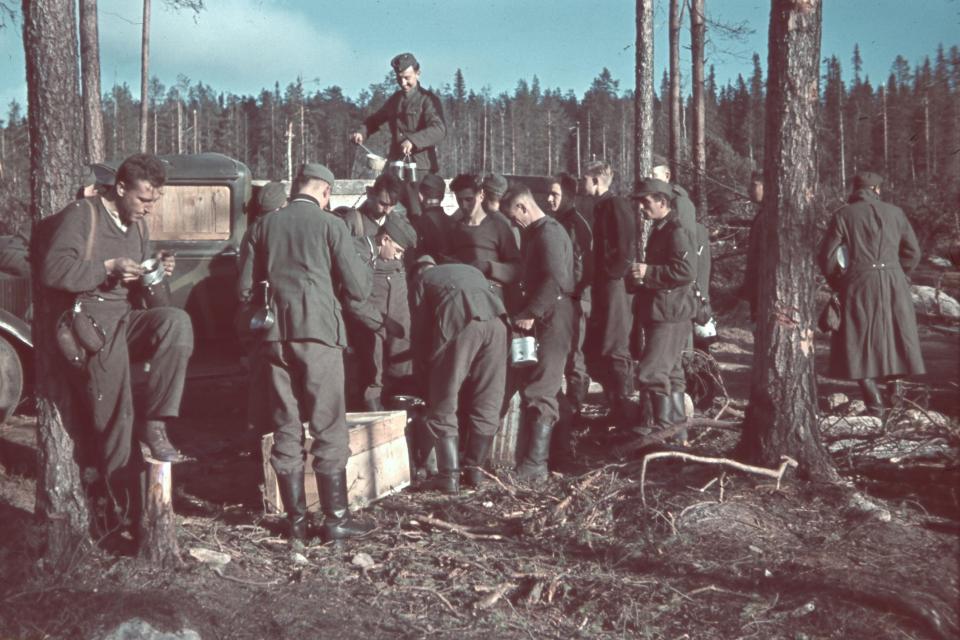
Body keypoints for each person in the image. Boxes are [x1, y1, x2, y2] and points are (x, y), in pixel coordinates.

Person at [237, 162, 374, 542]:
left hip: (274, 338)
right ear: (326, 192)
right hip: (319, 334)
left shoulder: (262, 226)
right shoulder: (332, 226)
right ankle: (335, 520)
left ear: (296, 186)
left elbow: (244, 291)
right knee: (328, 425)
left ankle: (295, 523)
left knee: (285, 424)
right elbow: (360, 288)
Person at [41, 153, 194, 490]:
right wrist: (106, 268)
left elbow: (144, 290)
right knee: (116, 423)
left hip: (126, 320)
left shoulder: (138, 225)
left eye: (154, 200)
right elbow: (53, 270)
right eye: (143, 198)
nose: (148, 207)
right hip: (93, 328)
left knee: (176, 322)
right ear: (121, 187)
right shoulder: (83, 215)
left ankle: (155, 422)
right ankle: (120, 514)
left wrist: (155, 272)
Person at [817, 171, 925, 418]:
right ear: (876, 189)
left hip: (858, 283)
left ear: (856, 190)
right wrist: (899, 272)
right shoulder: (895, 213)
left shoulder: (843, 215)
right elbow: (913, 252)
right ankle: (896, 403)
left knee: (856, 343)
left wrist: (838, 282)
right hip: (894, 282)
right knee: (897, 339)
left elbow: (827, 257)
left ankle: (876, 409)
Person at [411, 258, 508, 494]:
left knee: (444, 398)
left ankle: (449, 477)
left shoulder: (422, 279)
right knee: (488, 396)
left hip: (462, 322)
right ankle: (475, 471)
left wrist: (426, 368)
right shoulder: (469, 268)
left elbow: (420, 331)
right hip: (498, 323)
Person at [502, 184, 574, 482]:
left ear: (523, 207)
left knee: (541, 388)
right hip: (549, 314)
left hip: (553, 316)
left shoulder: (549, 233)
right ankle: (562, 456)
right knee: (551, 385)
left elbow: (556, 279)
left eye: (513, 216)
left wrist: (531, 313)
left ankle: (535, 466)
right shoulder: (538, 233)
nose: (513, 223)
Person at [629, 178, 697, 442]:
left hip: (670, 314)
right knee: (672, 373)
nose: (642, 208)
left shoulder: (676, 231)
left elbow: (687, 271)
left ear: (662, 201)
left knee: (652, 372)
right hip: (663, 311)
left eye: (646, 202)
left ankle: (664, 437)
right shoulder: (661, 228)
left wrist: (649, 272)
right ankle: (678, 441)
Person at [344, 173, 418, 410]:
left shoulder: (397, 221)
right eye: (382, 203)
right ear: (370, 194)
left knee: (401, 363)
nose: (386, 210)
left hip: (397, 299)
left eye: (392, 205)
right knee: (372, 367)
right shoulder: (353, 221)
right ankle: (375, 422)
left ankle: (400, 420)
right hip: (369, 302)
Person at [581, 161, 636, 427]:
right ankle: (616, 407)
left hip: (615, 285)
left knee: (616, 346)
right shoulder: (602, 206)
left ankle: (624, 412)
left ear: (596, 181)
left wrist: (612, 274)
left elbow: (625, 245)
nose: (583, 184)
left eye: (585, 179)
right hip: (605, 284)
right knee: (602, 346)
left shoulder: (616, 205)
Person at [350, 52, 446, 174]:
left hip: (421, 169)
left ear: (418, 74)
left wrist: (413, 141)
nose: (403, 83)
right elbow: (375, 120)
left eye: (407, 78)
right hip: (395, 166)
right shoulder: (395, 100)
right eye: (399, 78)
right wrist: (361, 133)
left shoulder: (428, 100)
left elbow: (439, 129)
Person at [547, 173, 594, 412]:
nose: (549, 199)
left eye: (555, 194)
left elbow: (579, 266)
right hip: (563, 297)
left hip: (575, 298)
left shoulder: (574, 225)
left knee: (574, 356)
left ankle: (575, 410)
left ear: (569, 196)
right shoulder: (558, 222)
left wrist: (571, 294)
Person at [446, 174, 521, 304]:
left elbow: (517, 270)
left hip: (493, 301)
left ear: (481, 195)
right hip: (463, 299)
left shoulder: (499, 226)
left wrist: (488, 267)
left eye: (469, 199)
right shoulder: (453, 229)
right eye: (459, 200)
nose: (464, 205)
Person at [740, 171, 764, 321]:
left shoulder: (769, 217)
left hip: (763, 287)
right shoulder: (762, 215)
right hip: (757, 286)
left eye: (754, 185)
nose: (749, 190)